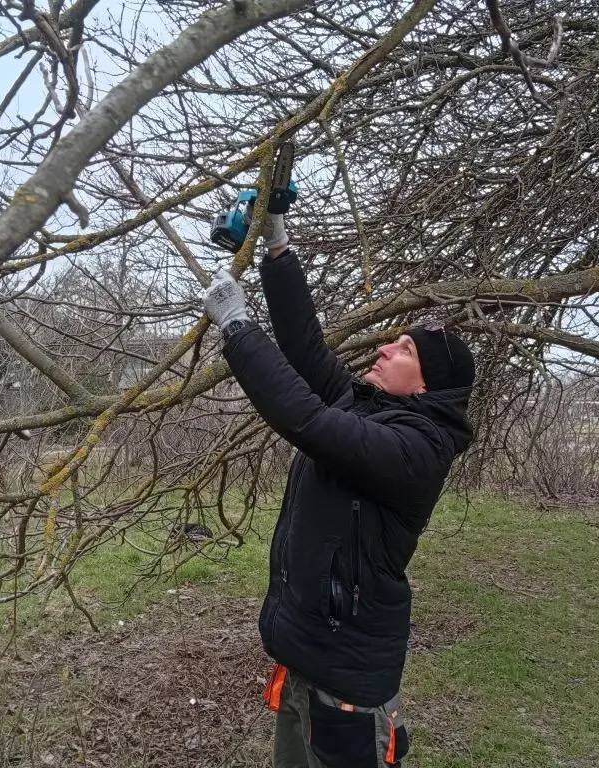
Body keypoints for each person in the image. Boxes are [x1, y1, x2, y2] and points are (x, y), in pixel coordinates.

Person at [203, 201, 475, 768]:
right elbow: (306, 352)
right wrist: (278, 250)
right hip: (307, 661)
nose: (383, 348)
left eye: (405, 350)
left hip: (348, 688)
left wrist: (237, 327)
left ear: (428, 384)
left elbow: (309, 421)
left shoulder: (418, 449)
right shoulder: (370, 409)